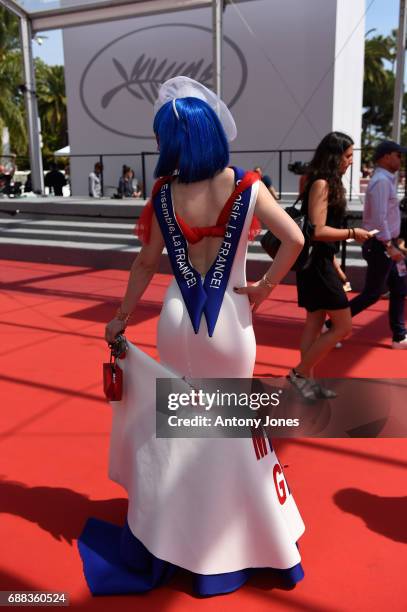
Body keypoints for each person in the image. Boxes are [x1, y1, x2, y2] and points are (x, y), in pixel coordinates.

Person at [77, 76, 305, 597]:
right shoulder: (246, 186)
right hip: (229, 320)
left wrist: (120, 317)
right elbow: (294, 239)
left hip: (177, 322)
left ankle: (175, 535)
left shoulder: (163, 194)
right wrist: (267, 287)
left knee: (181, 430)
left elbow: (146, 261)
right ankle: (239, 542)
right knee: (230, 432)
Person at [290, 132, 371, 400]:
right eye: (348, 156)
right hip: (316, 266)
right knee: (343, 327)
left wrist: (335, 263)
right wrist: (352, 233)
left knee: (314, 323)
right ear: (335, 156)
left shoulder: (327, 184)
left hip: (321, 262)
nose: (350, 161)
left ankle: (307, 384)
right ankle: (299, 374)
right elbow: (317, 230)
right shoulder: (321, 184)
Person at [330, 140, 406, 349]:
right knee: (373, 293)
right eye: (397, 155)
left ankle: (399, 335)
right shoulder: (381, 181)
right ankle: (332, 325)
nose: (401, 158)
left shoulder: (386, 180)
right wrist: (390, 244)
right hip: (381, 245)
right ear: (385, 157)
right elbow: (379, 218)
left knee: (399, 287)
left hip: (386, 243)